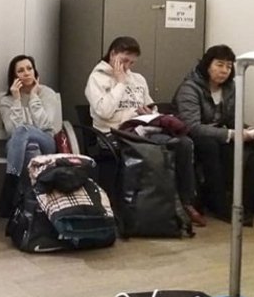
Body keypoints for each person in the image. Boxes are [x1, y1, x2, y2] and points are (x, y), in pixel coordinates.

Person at [85, 36, 206, 227]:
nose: (127, 66)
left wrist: (151, 112)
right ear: (113, 54)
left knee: (184, 143)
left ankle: (186, 201)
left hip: (143, 128)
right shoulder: (97, 78)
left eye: (132, 62)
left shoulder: (138, 79)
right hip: (114, 133)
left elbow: (151, 107)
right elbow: (105, 111)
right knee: (163, 146)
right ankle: (162, 206)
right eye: (124, 60)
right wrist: (120, 82)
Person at [173, 44, 254, 224]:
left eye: (229, 66)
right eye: (219, 65)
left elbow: (232, 119)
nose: (224, 70)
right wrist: (231, 134)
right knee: (210, 146)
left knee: (252, 146)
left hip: (220, 133)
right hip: (197, 137)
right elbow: (192, 126)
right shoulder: (190, 88)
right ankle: (220, 204)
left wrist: (250, 130)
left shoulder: (229, 88)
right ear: (208, 65)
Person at [0, 54, 58, 217]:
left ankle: (10, 185)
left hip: (46, 141)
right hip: (18, 145)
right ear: (14, 77)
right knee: (29, 146)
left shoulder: (47, 94)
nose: (27, 73)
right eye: (21, 71)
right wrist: (16, 100)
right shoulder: (7, 101)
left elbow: (45, 125)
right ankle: (33, 204)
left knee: (24, 132)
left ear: (35, 71)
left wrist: (34, 97)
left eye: (29, 68)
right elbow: (11, 130)